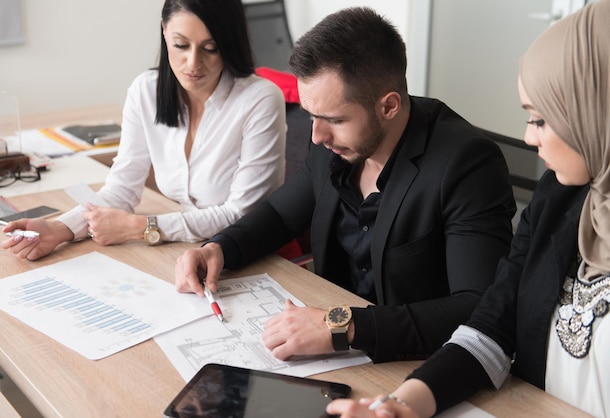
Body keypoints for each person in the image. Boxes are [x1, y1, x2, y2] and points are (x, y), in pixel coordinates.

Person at [175, 7, 516, 363]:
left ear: (389, 106)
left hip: (413, 361)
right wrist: (219, 249)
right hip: (328, 351)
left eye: (334, 119)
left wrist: (342, 326)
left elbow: (477, 306)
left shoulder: (467, 164)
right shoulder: (333, 145)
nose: (317, 135)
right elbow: (280, 214)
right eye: (312, 116)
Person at [326, 1, 610, 417]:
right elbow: (493, 325)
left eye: (541, 120)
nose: (528, 138)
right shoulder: (560, 195)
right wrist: (404, 404)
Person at [0, 0, 286, 261]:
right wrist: (60, 228)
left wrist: (143, 227)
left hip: (246, 253)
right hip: (187, 250)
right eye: (181, 45)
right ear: (164, 32)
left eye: (210, 48)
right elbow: (122, 189)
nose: (193, 63)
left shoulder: (259, 99)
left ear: (229, 42)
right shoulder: (146, 90)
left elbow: (242, 214)